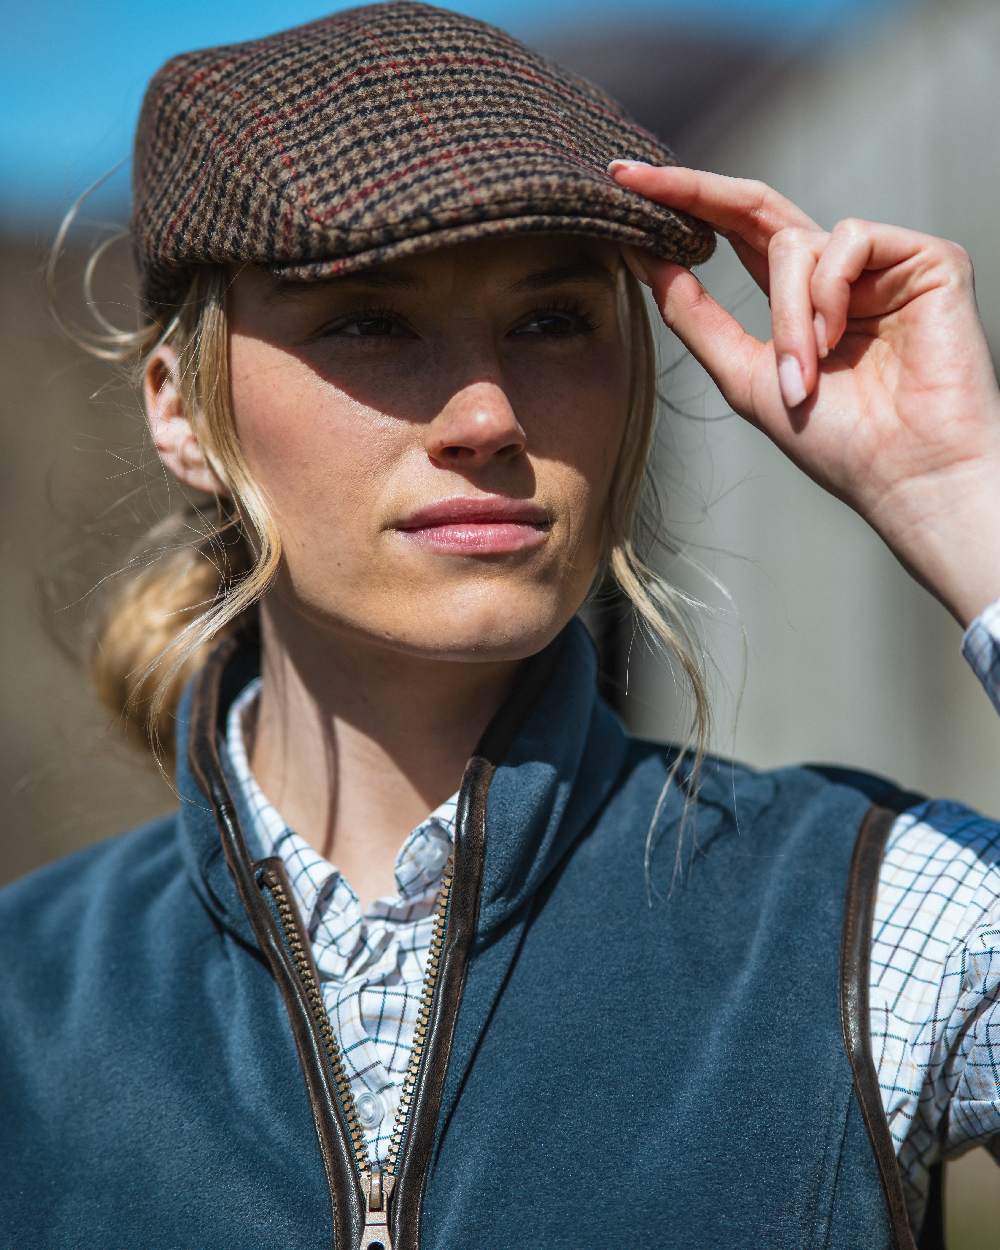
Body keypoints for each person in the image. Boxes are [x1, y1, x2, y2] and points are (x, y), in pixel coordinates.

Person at [2, 2, 998, 1247]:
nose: (485, 414)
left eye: (551, 322)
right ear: (182, 410)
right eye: (370, 318)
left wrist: (964, 503)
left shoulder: (871, 915)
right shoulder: (26, 998)